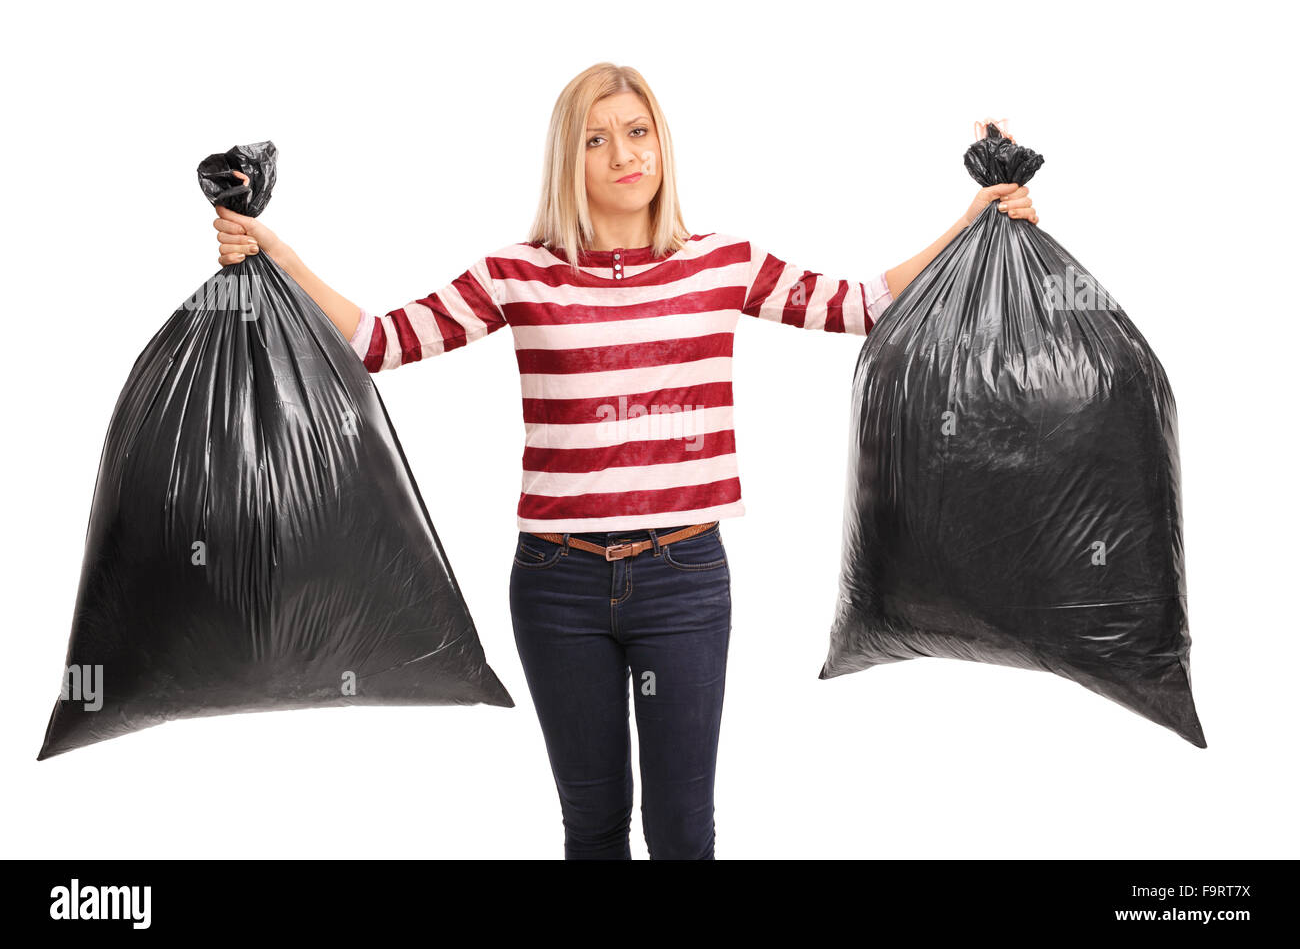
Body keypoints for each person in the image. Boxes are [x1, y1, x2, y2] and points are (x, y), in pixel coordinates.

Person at [211, 63, 1037, 859]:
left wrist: (974, 223)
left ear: (662, 144)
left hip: (682, 577)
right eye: (597, 140)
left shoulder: (723, 263)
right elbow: (375, 343)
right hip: (555, 583)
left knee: (682, 832)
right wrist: (277, 256)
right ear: (567, 158)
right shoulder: (516, 274)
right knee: (595, 827)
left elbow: (863, 307)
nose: (624, 154)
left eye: (638, 132)